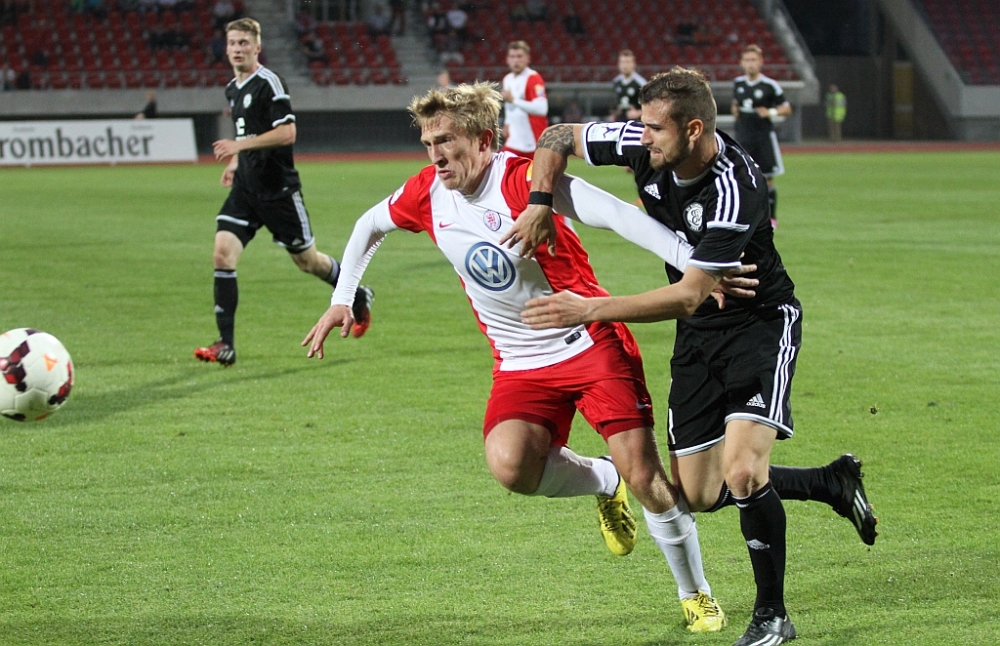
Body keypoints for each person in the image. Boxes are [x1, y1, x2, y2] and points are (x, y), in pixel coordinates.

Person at [302, 82, 757, 634]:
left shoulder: (523, 181)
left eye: (446, 141)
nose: (435, 155)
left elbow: (616, 213)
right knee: (510, 466)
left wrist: (697, 265)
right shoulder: (427, 192)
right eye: (427, 143)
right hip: (518, 360)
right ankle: (602, 479)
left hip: (588, 342)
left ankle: (695, 594)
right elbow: (368, 226)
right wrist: (342, 297)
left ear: (483, 139)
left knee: (646, 475)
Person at [503, 67, 879, 646]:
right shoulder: (642, 143)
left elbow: (687, 295)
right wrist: (539, 201)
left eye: (655, 128)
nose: (642, 137)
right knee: (700, 494)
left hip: (758, 325)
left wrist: (588, 309)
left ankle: (772, 617)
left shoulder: (735, 186)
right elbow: (555, 137)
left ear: (694, 129)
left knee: (743, 471)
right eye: (642, 124)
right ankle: (830, 482)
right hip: (700, 335)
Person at [195, 18, 374, 367]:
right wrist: (236, 162)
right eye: (232, 43)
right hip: (246, 190)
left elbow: (287, 133)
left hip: (278, 192)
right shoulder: (233, 88)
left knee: (308, 262)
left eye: (244, 43)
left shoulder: (269, 82)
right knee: (222, 255)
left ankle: (357, 294)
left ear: (257, 47)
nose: (237, 49)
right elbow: (247, 131)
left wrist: (238, 146)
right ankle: (225, 344)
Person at [731, 44, 790, 229]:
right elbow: (736, 102)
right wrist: (735, 109)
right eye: (747, 60)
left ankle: (771, 218)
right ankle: (745, 217)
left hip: (763, 138)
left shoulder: (769, 85)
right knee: (742, 179)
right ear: (741, 63)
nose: (750, 64)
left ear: (761, 62)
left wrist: (770, 112)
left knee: (767, 179)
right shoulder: (738, 84)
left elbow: (786, 108)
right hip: (743, 138)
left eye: (753, 60)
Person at [500, 40, 547, 159]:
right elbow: (509, 107)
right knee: (501, 167)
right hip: (513, 141)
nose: (516, 61)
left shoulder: (533, 78)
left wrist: (514, 100)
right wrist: (507, 123)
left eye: (519, 56)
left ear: (527, 59)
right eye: (512, 57)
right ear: (507, 59)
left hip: (532, 142)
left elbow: (542, 109)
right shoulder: (507, 79)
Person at [610, 49, 645, 122]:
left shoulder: (641, 83)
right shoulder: (616, 82)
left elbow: (650, 106)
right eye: (622, 62)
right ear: (618, 64)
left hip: (636, 122)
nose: (625, 65)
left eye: (628, 62)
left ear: (633, 64)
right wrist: (614, 114)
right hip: (619, 121)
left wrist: (638, 113)